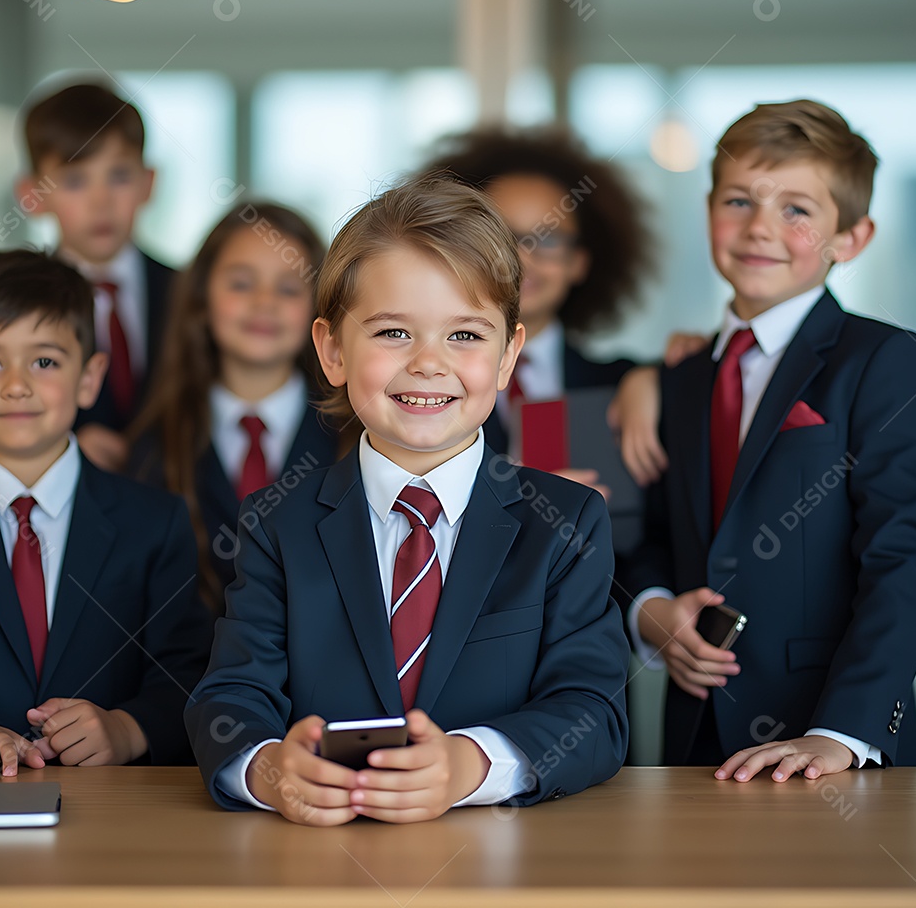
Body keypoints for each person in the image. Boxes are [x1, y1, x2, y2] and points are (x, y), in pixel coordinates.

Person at [185, 177, 630, 824]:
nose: (428, 363)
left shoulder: (566, 522)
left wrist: (468, 765)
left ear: (508, 356)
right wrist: (271, 769)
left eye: (466, 336)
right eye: (394, 332)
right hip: (322, 848)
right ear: (332, 351)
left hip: (504, 854)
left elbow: (593, 712)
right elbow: (228, 698)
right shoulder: (277, 523)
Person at [621, 99, 916, 781]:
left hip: (828, 738)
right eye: (738, 200)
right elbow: (655, 535)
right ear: (709, 211)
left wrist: (841, 732)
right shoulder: (681, 377)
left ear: (850, 238)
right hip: (693, 739)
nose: (760, 227)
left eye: (797, 209)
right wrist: (653, 610)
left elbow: (902, 556)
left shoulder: (884, 360)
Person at [0, 249, 211, 773]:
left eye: (44, 362)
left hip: (111, 802)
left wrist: (129, 728)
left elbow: (187, 667)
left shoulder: (154, 521)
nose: (16, 385)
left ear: (89, 377)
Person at [127, 202, 341, 615]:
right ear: (202, 299)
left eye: (289, 288)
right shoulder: (152, 449)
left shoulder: (354, 439)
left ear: (319, 308)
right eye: (241, 284)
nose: (264, 302)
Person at [418, 127, 654, 470]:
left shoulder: (622, 386)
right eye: (501, 237)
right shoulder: (421, 377)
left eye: (549, 239)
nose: (522, 259)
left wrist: (650, 380)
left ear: (578, 263)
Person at [11, 81, 174, 471]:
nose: (101, 202)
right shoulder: (13, 303)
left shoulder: (188, 291)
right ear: (31, 195)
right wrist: (55, 446)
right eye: (75, 181)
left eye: (119, 176)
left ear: (148, 183)